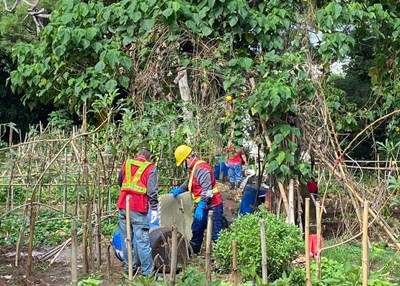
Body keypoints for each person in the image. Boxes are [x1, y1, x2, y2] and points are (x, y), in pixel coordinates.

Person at [170, 144, 224, 254]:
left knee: (216, 235)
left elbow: (207, 190)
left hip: (212, 206)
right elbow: (190, 182)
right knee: (196, 231)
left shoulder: (201, 168)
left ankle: (222, 262)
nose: (183, 166)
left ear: (188, 158)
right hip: (203, 207)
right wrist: (179, 190)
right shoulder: (195, 168)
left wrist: (201, 206)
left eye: (183, 163)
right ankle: (193, 255)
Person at [117, 147, 158, 276]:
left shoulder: (127, 163)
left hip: (123, 204)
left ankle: (130, 268)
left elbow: (120, 181)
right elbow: (152, 190)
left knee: (126, 239)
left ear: (138, 154)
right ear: (149, 157)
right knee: (142, 241)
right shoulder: (150, 168)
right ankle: (148, 272)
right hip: (138, 207)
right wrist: (154, 206)